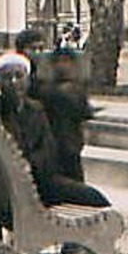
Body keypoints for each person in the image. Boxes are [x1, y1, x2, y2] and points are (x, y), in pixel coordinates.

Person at [0, 52, 111, 209]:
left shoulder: (36, 109)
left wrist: (33, 166)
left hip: (39, 178)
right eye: (7, 78)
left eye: (19, 76)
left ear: (27, 80)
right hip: (7, 182)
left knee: (93, 198)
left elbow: (47, 148)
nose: (14, 82)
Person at [35, 45, 97, 182]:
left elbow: (84, 113)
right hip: (53, 145)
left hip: (71, 144)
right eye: (59, 61)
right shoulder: (46, 91)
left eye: (67, 61)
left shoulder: (76, 90)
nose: (62, 66)